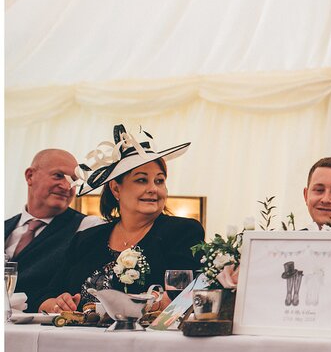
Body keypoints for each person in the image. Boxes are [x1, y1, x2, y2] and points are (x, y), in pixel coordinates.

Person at [34, 125, 204, 314]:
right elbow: (45, 296)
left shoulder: (182, 232)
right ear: (116, 189)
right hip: (79, 339)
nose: (153, 189)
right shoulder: (85, 239)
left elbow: (182, 296)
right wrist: (59, 303)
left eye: (159, 180)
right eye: (142, 180)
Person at [5, 149, 104, 305]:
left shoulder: (87, 228)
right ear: (30, 176)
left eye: (73, 181)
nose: (66, 186)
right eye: (58, 176)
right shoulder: (6, 227)